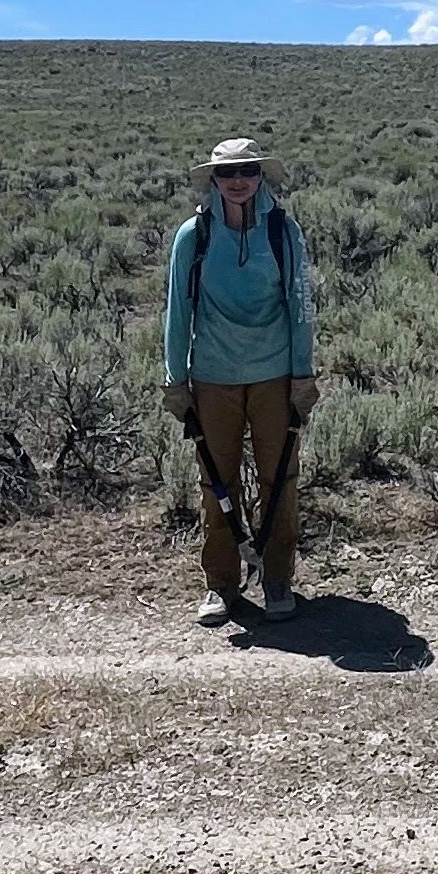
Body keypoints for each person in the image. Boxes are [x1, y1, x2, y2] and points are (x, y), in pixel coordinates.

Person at [162, 136, 316, 624]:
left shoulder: (282, 231)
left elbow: (300, 305)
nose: (237, 182)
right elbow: (177, 311)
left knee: (280, 480)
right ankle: (221, 584)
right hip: (213, 376)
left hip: (274, 373)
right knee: (216, 482)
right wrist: (175, 380)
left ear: (260, 177)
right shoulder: (195, 235)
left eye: (247, 172)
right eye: (227, 174)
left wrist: (303, 374)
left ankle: (276, 578)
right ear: (213, 180)